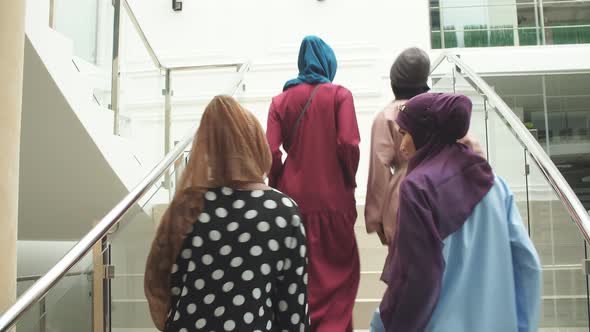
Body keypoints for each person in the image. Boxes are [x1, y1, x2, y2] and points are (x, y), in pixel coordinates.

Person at [376, 93, 542, 331]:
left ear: (425, 133)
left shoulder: (417, 188)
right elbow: (528, 264)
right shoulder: (494, 182)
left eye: (405, 134)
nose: (401, 148)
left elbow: (417, 278)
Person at [144, 95, 309, 332]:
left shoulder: (186, 206)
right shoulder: (283, 212)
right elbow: (293, 311)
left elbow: (160, 281)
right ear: (255, 145)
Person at [266, 35, 360, 331]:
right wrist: (348, 177)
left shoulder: (279, 101)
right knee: (338, 279)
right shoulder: (340, 95)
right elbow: (348, 143)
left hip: (292, 204)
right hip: (334, 203)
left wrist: (278, 184)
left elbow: (269, 151)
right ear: (328, 63)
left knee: (298, 280)